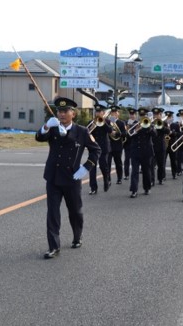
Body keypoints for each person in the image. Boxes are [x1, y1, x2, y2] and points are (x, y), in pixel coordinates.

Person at [35, 97, 102, 259]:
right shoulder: (53, 127)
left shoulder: (82, 131)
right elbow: (39, 138)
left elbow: (96, 150)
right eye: (59, 111)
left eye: (65, 111)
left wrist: (86, 167)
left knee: (75, 211)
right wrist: (45, 127)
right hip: (53, 177)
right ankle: (54, 247)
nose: (61, 114)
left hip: (72, 178)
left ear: (73, 113)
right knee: (52, 213)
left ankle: (77, 236)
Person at [129, 107, 156, 198]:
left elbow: (154, 134)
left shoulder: (150, 125)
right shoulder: (134, 124)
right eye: (141, 115)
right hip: (135, 151)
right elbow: (128, 135)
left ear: (146, 115)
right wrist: (135, 130)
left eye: (144, 115)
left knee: (146, 171)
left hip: (146, 151)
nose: (142, 117)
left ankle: (147, 188)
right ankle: (134, 190)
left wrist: (147, 127)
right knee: (135, 171)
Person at [88, 104, 113, 194]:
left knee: (103, 166)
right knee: (92, 168)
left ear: (103, 113)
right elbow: (86, 133)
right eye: (96, 112)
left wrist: (103, 123)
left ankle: (106, 180)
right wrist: (92, 127)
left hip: (103, 148)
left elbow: (110, 131)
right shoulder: (91, 122)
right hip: (93, 148)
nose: (97, 113)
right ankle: (93, 188)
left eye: (99, 112)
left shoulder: (107, 121)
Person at [107, 105, 127, 184]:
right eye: (112, 112)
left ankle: (119, 178)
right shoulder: (107, 122)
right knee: (107, 163)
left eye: (115, 112)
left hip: (117, 145)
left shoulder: (121, 123)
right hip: (108, 146)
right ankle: (108, 179)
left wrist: (116, 133)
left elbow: (124, 134)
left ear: (118, 113)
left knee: (118, 163)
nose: (113, 114)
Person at [151, 107, 170, 185]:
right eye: (154, 114)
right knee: (151, 164)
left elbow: (168, 131)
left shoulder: (164, 122)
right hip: (152, 145)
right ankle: (152, 180)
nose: (156, 116)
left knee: (161, 164)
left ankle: (160, 178)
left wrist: (161, 125)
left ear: (160, 115)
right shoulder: (151, 122)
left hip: (161, 145)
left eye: (157, 114)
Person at [164, 110, 180, 179]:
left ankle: (174, 173)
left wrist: (172, 133)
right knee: (163, 161)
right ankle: (162, 176)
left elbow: (179, 134)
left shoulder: (175, 125)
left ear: (172, 117)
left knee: (174, 160)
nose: (168, 118)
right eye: (167, 117)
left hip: (172, 143)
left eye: (170, 117)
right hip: (164, 144)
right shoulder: (162, 124)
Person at [123, 108, 138, 180]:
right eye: (130, 114)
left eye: (133, 114)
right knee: (127, 159)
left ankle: (135, 174)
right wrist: (126, 129)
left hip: (135, 143)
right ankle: (126, 174)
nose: (131, 116)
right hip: (127, 143)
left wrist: (131, 129)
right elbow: (124, 133)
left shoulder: (137, 122)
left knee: (134, 160)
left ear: (135, 115)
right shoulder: (125, 122)